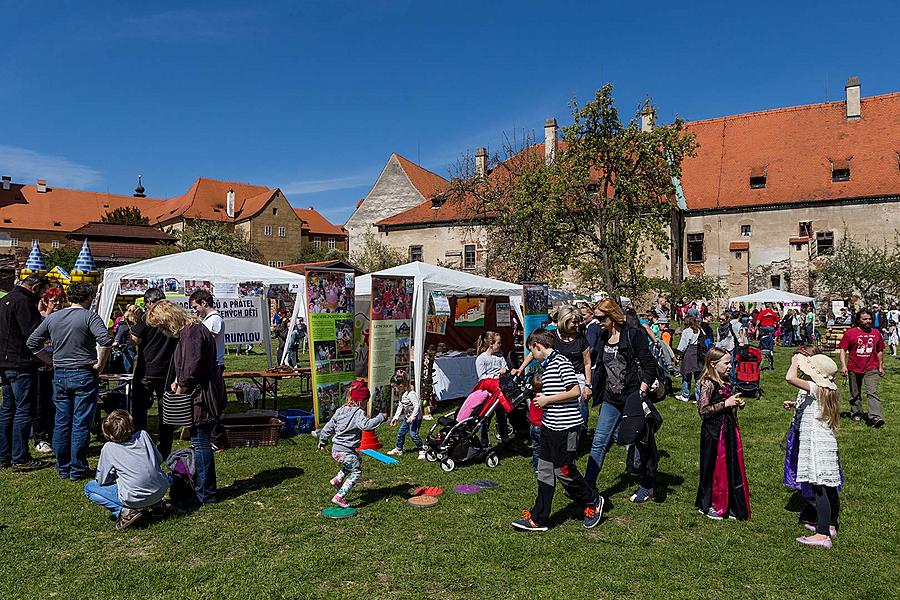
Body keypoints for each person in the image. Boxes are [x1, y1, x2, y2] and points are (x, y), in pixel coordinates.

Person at [511, 328, 604, 532]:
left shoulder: (561, 362)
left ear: (538, 347)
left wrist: (547, 399)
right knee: (544, 471)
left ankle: (593, 500)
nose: (532, 357)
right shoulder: (547, 364)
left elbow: (574, 391)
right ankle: (539, 517)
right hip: (549, 425)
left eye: (531, 352)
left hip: (567, 427)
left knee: (564, 470)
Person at [27, 282, 112, 480]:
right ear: (89, 298)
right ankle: (77, 468)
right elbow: (106, 341)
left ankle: (63, 466)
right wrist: (100, 364)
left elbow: (32, 342)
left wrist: (49, 360)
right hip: (83, 373)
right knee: (80, 422)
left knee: (62, 421)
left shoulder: (54, 317)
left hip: (60, 374)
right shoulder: (89, 316)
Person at [146, 300, 225, 504]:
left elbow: (191, 369)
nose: (163, 330)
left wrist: (180, 388)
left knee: (200, 442)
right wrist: (176, 380)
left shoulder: (191, 333)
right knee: (199, 441)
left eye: (162, 325)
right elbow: (187, 364)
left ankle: (205, 493)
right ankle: (203, 489)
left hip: (201, 394)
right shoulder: (191, 330)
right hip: (202, 389)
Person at [584, 298, 658, 503]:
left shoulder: (633, 335)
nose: (597, 321)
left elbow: (649, 365)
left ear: (613, 316)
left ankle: (647, 485)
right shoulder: (601, 336)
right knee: (599, 441)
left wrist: (641, 393)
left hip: (632, 396)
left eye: (600, 317)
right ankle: (588, 485)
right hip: (610, 398)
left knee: (642, 443)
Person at [784, 353, 842, 548]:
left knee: (819, 487)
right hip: (825, 443)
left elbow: (790, 378)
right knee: (827, 487)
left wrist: (794, 363)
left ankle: (822, 534)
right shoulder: (826, 391)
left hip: (817, 443)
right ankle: (830, 524)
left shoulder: (817, 387)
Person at [84, 409, 170, 529]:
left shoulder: (109, 448)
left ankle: (125, 512)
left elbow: (102, 480)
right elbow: (159, 459)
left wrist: (114, 474)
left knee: (89, 488)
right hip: (160, 489)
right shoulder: (143, 435)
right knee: (146, 479)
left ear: (107, 433)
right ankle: (158, 506)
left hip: (134, 496)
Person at [0, 274, 51, 472]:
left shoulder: (5, 300)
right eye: (42, 292)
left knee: (8, 409)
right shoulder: (24, 302)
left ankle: (5, 455)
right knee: (23, 410)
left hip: (6, 362)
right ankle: (20, 456)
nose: (43, 296)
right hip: (21, 363)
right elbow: (32, 335)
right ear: (35, 287)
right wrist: (44, 356)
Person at [695, 347, 751, 520]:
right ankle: (710, 504)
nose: (730, 366)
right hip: (713, 432)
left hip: (727, 429)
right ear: (713, 364)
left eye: (730, 363)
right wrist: (726, 404)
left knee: (729, 466)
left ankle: (729, 503)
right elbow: (703, 410)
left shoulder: (725, 380)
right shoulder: (708, 383)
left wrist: (736, 404)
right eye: (726, 363)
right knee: (713, 468)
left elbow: (725, 401)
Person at [317, 382, 386, 508]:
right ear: (360, 401)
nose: (366, 404)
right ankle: (339, 496)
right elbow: (366, 426)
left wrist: (323, 440)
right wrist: (381, 417)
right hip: (346, 451)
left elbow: (328, 427)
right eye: (366, 401)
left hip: (336, 450)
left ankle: (338, 479)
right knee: (357, 472)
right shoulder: (358, 412)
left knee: (356, 460)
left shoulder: (340, 410)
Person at [129, 288, 178, 458]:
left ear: (149, 302)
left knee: (140, 409)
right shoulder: (173, 318)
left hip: (146, 370)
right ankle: (165, 447)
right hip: (168, 371)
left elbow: (134, 339)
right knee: (166, 410)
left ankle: (141, 444)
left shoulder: (146, 317)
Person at [32, 286, 67, 455]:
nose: (58, 304)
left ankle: (54, 434)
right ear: (45, 302)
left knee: (56, 402)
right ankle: (39, 437)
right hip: (41, 366)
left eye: (61, 301)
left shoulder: (63, 319)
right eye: (54, 301)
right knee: (40, 403)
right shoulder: (39, 319)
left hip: (58, 365)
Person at [838, 309, 886, 428]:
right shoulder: (850, 333)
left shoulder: (876, 333)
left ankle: (875, 417)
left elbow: (880, 350)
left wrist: (880, 366)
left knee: (872, 392)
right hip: (854, 367)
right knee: (855, 392)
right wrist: (843, 365)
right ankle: (856, 412)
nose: (868, 321)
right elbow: (843, 349)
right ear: (859, 320)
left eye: (869, 319)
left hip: (871, 367)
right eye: (865, 319)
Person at [473, 330, 512, 445]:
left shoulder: (500, 357)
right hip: (488, 392)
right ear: (491, 344)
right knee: (486, 417)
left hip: (499, 391)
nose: (500, 345)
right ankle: (484, 440)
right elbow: (482, 377)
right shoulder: (481, 359)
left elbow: (505, 367)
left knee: (501, 415)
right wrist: (495, 376)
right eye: (498, 343)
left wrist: (505, 370)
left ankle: (505, 438)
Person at [387, 370, 424, 459]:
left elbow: (417, 406)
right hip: (407, 418)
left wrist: (412, 417)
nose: (394, 390)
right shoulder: (402, 394)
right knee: (401, 433)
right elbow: (400, 406)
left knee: (413, 434)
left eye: (395, 387)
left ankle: (422, 449)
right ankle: (399, 449)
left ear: (401, 385)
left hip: (415, 419)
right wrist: (395, 418)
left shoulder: (411, 394)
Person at [189, 289, 225, 374]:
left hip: (213, 364)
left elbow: (205, 341)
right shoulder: (208, 319)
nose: (195, 311)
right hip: (209, 364)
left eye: (195, 307)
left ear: (204, 303)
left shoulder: (214, 319)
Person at [676, 316, 703, 403]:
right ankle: (698, 397)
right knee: (698, 376)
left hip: (689, 352)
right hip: (698, 352)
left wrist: (678, 353)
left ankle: (685, 395)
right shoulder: (699, 329)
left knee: (686, 374)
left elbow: (683, 344)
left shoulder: (686, 331)